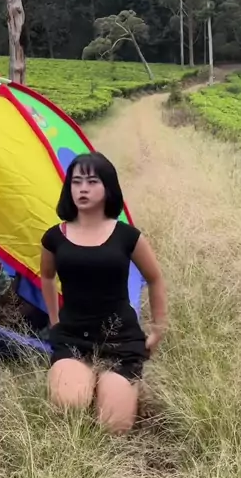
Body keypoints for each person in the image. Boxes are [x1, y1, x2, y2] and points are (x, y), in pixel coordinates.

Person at [40, 152, 167, 434]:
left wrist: (158, 328)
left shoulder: (127, 236)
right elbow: (46, 277)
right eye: (76, 182)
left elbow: (155, 278)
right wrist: (54, 320)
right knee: (69, 410)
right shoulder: (54, 237)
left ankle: (117, 387)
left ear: (108, 187)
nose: (82, 189)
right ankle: (86, 380)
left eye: (92, 181)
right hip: (73, 336)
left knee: (114, 427)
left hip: (120, 339)